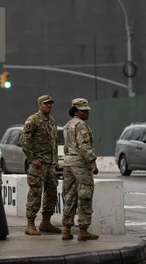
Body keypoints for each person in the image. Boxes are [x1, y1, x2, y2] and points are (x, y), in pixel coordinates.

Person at [20, 95, 61, 235]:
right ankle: (30, 224)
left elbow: (54, 141)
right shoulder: (33, 120)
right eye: (46, 104)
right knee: (35, 193)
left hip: (49, 165)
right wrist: (32, 159)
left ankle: (46, 222)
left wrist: (55, 159)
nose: (49, 106)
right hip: (38, 165)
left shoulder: (51, 121)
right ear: (40, 105)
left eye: (51, 104)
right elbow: (24, 140)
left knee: (51, 193)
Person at [61, 98, 99, 241]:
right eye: (83, 110)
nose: (86, 112)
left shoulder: (67, 125)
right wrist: (92, 164)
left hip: (68, 163)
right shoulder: (81, 125)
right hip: (80, 164)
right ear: (77, 111)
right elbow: (84, 146)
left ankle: (66, 229)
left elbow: (66, 146)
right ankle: (83, 230)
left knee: (70, 196)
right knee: (85, 195)